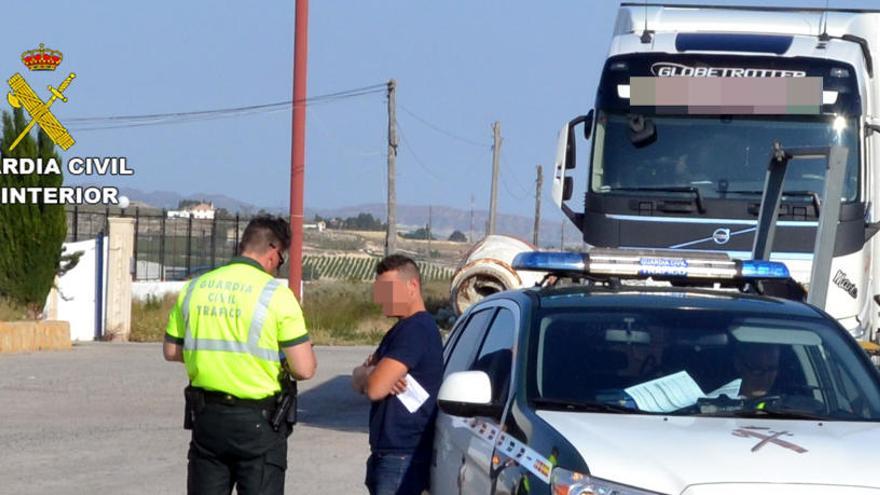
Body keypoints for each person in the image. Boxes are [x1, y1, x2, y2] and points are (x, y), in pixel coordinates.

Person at [163, 215, 317, 495]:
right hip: (259, 424)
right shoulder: (276, 295)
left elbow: (172, 351)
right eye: (280, 260)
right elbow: (304, 369)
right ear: (273, 251)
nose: (277, 267)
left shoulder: (194, 288)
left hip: (207, 419)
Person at [351, 254, 443, 495]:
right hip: (388, 454)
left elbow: (374, 388)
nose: (381, 299)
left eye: (388, 290)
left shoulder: (416, 330)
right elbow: (359, 377)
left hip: (402, 457)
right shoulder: (400, 330)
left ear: (412, 286)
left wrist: (372, 376)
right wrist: (370, 372)